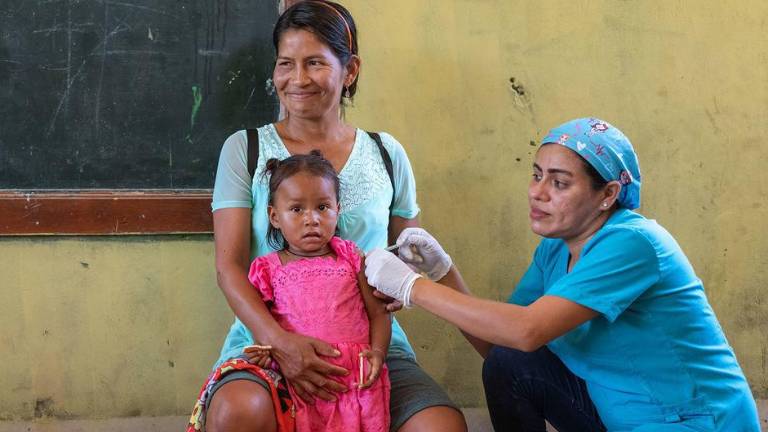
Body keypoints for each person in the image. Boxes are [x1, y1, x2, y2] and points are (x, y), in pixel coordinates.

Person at [365, 118, 761, 431]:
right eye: (536, 175)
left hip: (690, 422)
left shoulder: (633, 243)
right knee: (508, 366)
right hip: (615, 416)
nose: (538, 192)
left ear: (607, 195)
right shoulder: (557, 246)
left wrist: (412, 286)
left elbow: (526, 330)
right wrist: (443, 271)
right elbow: (503, 345)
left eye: (559, 183)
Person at [190, 2, 466, 431]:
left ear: (349, 70)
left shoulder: (386, 154)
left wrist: (407, 280)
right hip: (267, 340)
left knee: (440, 426)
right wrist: (281, 342)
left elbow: (409, 256)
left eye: (315, 63)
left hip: (371, 347)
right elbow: (229, 268)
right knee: (238, 411)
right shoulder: (243, 150)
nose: (297, 79)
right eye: (286, 64)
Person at [190, 151, 392, 431]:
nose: (312, 219)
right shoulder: (267, 269)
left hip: (354, 379)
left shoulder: (353, 259)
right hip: (296, 377)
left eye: (323, 207)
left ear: (338, 209)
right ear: (274, 216)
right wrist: (266, 352)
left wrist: (378, 352)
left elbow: (379, 313)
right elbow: (262, 324)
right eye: (297, 209)